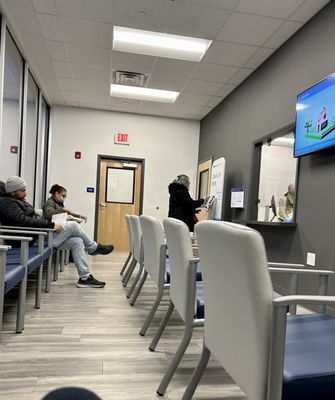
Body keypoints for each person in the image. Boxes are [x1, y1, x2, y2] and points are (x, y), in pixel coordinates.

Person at [0, 176, 114, 288]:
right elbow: (23, 221)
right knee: (74, 225)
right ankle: (93, 248)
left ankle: (85, 277)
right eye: (22, 190)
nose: (25, 193)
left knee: (77, 241)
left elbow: (31, 219)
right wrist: (51, 225)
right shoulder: (7, 203)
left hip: (39, 236)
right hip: (31, 241)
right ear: (13, 191)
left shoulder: (16, 201)